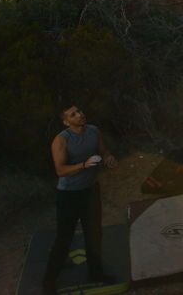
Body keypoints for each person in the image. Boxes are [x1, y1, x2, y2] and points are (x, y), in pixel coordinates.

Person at [42, 106, 117, 294]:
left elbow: (104, 150)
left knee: (94, 234)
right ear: (66, 122)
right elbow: (60, 170)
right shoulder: (61, 140)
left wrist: (108, 158)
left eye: (80, 111)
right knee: (64, 238)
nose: (80, 114)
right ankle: (49, 281)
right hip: (69, 195)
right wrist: (84, 165)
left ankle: (96, 273)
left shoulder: (93, 131)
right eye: (73, 114)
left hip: (90, 191)